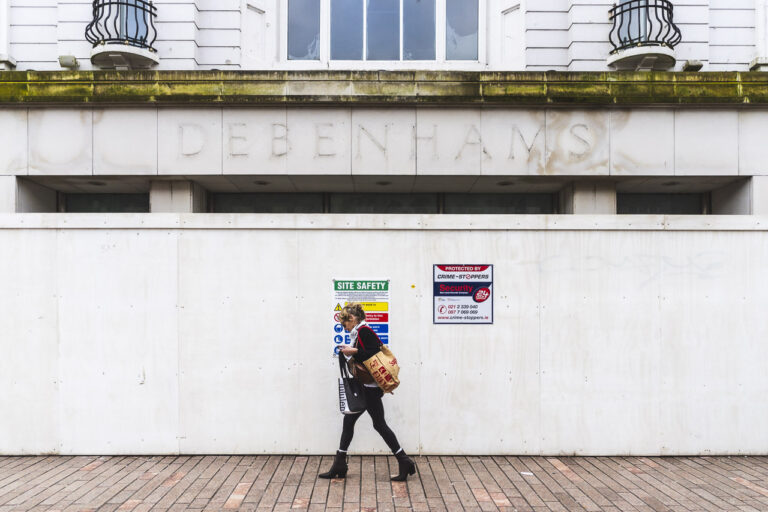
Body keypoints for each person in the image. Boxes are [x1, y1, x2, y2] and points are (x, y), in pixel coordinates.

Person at [319, 303, 416, 481]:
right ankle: (403, 461)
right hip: (367, 388)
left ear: (353, 319)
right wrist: (349, 352)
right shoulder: (359, 332)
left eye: (345, 323)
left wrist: (352, 351)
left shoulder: (364, 331)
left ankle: (403, 460)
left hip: (369, 389)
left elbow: (372, 353)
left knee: (368, 423)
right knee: (366, 423)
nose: (344, 327)